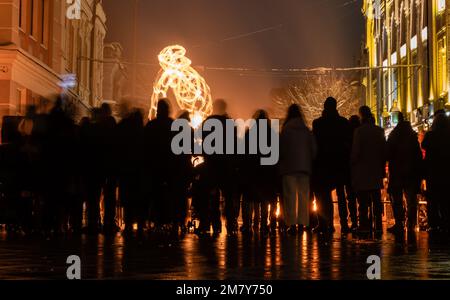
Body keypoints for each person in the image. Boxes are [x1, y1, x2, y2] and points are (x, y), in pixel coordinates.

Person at [312, 97, 352, 233]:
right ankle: (344, 223)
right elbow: (348, 143)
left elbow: (316, 144)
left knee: (324, 196)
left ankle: (326, 223)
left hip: (323, 164)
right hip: (340, 163)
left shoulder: (317, 124)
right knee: (341, 195)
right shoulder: (343, 123)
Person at [201, 99, 240, 235]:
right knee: (228, 196)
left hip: (211, 164)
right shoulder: (229, 123)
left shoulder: (207, 122)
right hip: (226, 164)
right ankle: (230, 222)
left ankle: (213, 223)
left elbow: (203, 143)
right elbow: (234, 144)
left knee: (212, 196)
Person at [279, 104, 317, 234]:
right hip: (304, 168)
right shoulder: (306, 130)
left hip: (289, 168)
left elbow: (281, 150)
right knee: (303, 196)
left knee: (290, 196)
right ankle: (302, 222)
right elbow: (314, 150)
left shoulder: (286, 130)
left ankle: (291, 223)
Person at [241, 110, 279, 234]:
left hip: (252, 170)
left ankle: (247, 224)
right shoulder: (272, 134)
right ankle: (264, 225)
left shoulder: (249, 133)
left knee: (249, 199)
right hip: (266, 171)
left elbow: (244, 152)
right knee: (264, 199)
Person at [351, 106, 386, 233]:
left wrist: (353, 165)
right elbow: (384, 151)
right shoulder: (379, 131)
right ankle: (378, 225)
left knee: (363, 202)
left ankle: (364, 225)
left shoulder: (359, 132)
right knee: (376, 199)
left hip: (363, 171)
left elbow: (356, 152)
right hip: (376, 170)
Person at [387, 112, 423, 233]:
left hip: (397, 173)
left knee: (397, 199)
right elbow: (418, 156)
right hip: (411, 173)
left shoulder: (393, 136)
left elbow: (388, 154)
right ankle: (411, 223)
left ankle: (399, 223)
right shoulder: (412, 136)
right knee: (411, 200)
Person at [144, 99, 175, 229]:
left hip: (154, 166)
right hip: (169, 166)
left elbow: (144, 146)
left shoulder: (151, 126)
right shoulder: (173, 125)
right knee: (169, 195)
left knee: (155, 195)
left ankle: (156, 220)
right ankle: (169, 220)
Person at [117, 106, 145, 233]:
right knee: (138, 198)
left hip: (127, 169)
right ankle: (139, 223)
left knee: (128, 198)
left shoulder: (125, 129)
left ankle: (129, 223)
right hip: (138, 170)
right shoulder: (142, 131)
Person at [422, 111, 450, 232]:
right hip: (447, 172)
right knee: (446, 199)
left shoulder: (431, 135)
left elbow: (424, 145)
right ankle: (446, 222)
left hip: (433, 172)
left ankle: (433, 223)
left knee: (433, 199)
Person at [347, 115, 361, 230]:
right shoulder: (361, 134)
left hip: (350, 171)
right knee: (362, 198)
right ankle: (363, 220)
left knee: (351, 198)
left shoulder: (348, 136)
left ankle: (354, 221)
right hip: (362, 171)